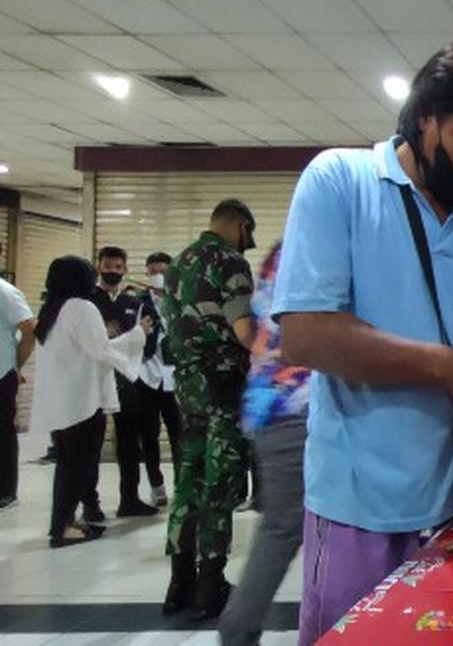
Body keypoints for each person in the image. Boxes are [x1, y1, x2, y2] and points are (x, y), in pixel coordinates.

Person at [270, 42, 453, 645]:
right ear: (426, 117)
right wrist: (450, 369)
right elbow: (305, 335)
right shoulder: (340, 181)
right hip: (356, 509)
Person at [161, 199, 257, 620]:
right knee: (220, 484)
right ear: (238, 225)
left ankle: (178, 583)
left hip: (187, 384)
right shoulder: (229, 261)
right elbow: (244, 331)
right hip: (222, 383)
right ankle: (209, 587)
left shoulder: (179, 263)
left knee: (188, 478)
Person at [218, 242, 310, 646]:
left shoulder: (284, 251)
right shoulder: (313, 249)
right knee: (282, 529)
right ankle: (237, 632)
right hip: (293, 407)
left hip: (271, 405)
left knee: (284, 527)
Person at [30, 256, 147, 547]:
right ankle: (62, 529)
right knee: (78, 465)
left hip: (63, 401)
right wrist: (136, 337)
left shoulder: (52, 309)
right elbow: (101, 349)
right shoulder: (81, 308)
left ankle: (65, 521)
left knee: (68, 464)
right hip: (82, 401)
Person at [91, 247, 160, 519]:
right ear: (98, 267)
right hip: (94, 378)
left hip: (127, 379)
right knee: (92, 443)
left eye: (118, 267)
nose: (113, 271)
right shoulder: (88, 300)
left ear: (125, 269)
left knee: (130, 442)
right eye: (108, 265)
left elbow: (149, 341)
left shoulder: (134, 302)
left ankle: (129, 499)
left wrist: (136, 342)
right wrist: (129, 339)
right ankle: (91, 504)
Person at [137, 252, 182, 507]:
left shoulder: (182, 299)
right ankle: (157, 486)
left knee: (179, 436)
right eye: (153, 271)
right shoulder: (140, 303)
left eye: (163, 271)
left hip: (175, 380)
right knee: (149, 436)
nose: (158, 276)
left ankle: (181, 485)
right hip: (148, 377)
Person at [0, 275, 35, 512]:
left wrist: (15, 366)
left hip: (1, 373)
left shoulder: (5, 292)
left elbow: (29, 329)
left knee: (2, 432)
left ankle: (6, 491)